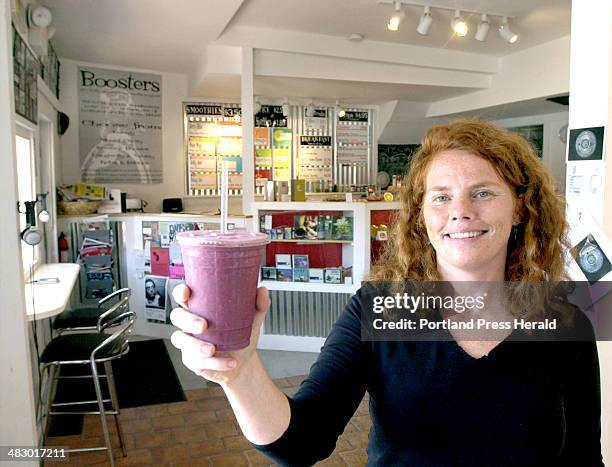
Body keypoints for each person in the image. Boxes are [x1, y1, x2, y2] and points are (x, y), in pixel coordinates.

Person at [170, 119, 603, 466]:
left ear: (521, 207)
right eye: (440, 197)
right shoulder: (379, 308)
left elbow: (583, 455)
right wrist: (240, 373)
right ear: (420, 215)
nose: (460, 212)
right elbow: (301, 444)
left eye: (483, 193)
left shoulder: (564, 322)